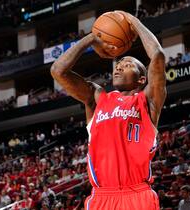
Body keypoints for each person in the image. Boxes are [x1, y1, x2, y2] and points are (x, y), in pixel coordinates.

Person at [51, 11, 166, 210]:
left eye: (127, 64)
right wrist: (93, 38)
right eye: (118, 64)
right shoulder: (97, 98)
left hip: (138, 195)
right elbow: (58, 71)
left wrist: (133, 21)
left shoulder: (147, 101)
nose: (119, 68)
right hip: (102, 198)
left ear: (141, 79)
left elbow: (157, 55)